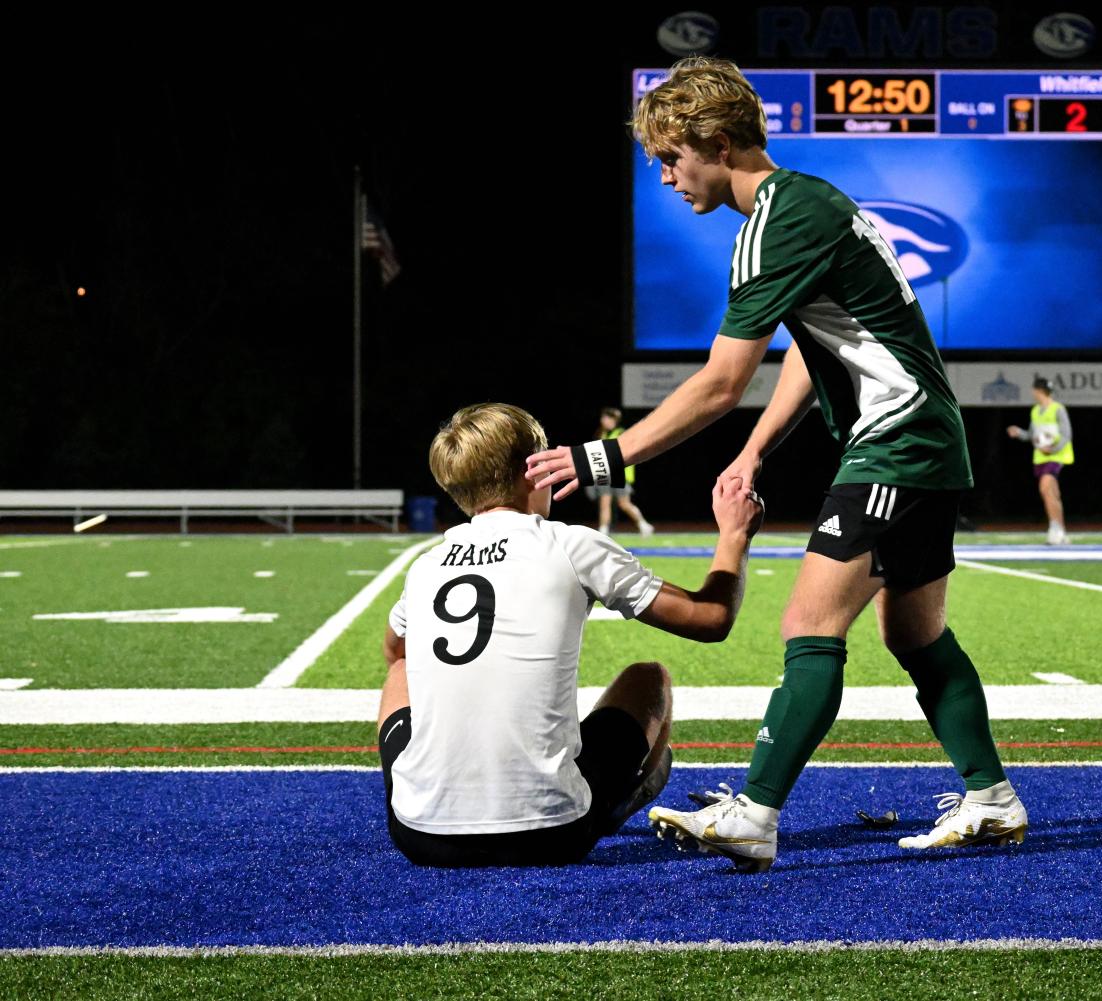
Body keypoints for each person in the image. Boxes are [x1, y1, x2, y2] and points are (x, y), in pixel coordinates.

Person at [524, 57, 1026, 873]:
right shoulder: (811, 200)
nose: (664, 178)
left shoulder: (773, 223)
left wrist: (600, 458)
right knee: (914, 630)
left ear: (716, 143)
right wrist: (757, 448)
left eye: (670, 159)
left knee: (808, 625)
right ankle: (992, 798)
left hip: (896, 439)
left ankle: (754, 813)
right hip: (923, 435)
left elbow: (722, 382)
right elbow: (812, 343)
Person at [377, 401, 763, 867]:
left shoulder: (425, 566)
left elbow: (395, 651)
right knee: (649, 678)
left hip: (420, 836)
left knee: (400, 673)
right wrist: (734, 536)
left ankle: (447, 786)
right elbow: (710, 619)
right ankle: (622, 799)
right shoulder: (570, 544)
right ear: (532, 469)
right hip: (550, 834)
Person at [1006, 377, 1074, 545]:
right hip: (1041, 457)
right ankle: (1061, 531)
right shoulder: (1036, 411)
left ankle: (1054, 528)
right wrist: (1019, 433)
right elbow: (1032, 435)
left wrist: (1052, 449)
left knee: (1045, 487)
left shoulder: (1058, 409)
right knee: (1052, 493)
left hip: (1055, 456)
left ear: (1039, 390)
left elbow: (1066, 435)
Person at [584, 407, 654, 537]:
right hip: (604, 473)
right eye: (603, 418)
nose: (604, 421)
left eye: (607, 418)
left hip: (619, 473)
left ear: (614, 420)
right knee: (605, 501)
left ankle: (644, 525)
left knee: (624, 504)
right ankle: (603, 530)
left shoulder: (621, 433)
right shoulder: (601, 434)